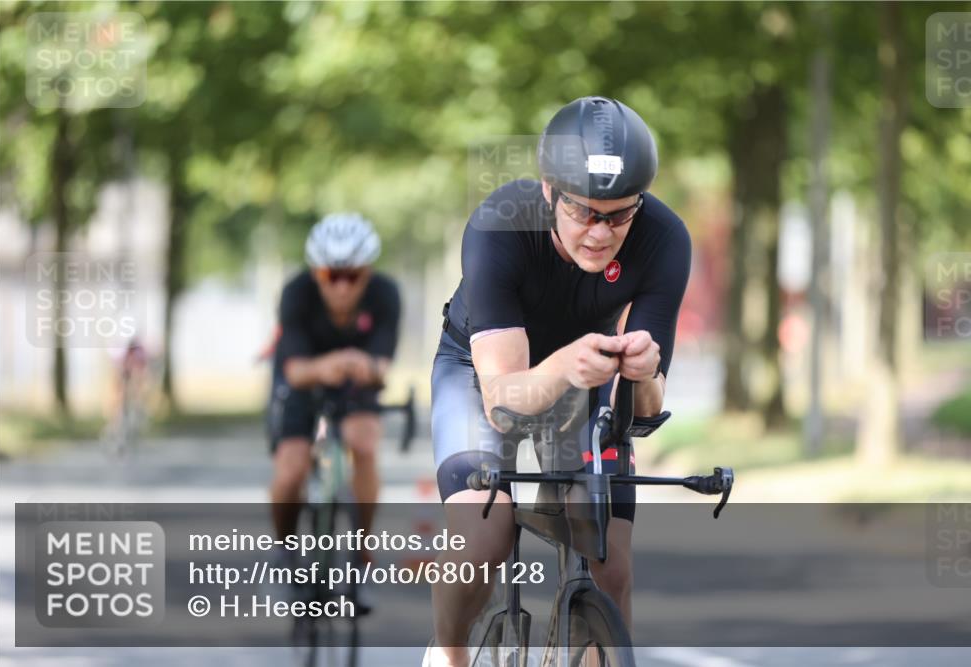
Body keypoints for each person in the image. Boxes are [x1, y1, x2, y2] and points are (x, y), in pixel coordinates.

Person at [425, 96, 691, 666]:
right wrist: (564, 366)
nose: (600, 233)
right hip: (480, 373)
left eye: (619, 215)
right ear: (549, 191)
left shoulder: (664, 238)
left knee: (609, 565)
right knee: (483, 540)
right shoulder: (501, 224)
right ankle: (448, 652)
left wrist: (643, 371)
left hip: (584, 375)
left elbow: (645, 412)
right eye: (584, 212)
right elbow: (500, 400)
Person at [266, 213, 401, 559]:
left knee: (365, 442)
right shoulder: (296, 293)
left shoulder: (385, 294)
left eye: (352, 276)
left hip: (355, 386)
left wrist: (362, 367)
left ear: (367, 273)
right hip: (299, 384)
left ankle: (362, 547)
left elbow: (381, 369)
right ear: (316, 273)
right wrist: (332, 364)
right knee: (291, 469)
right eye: (331, 276)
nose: (342, 287)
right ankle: (284, 549)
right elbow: (295, 371)